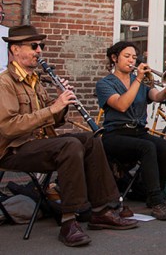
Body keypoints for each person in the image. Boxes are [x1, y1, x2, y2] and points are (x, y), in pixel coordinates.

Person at [0, 25, 137, 247]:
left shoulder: (35, 81)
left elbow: (53, 120)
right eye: (33, 46)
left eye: (41, 46)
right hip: (14, 149)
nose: (39, 51)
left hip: (40, 144)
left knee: (90, 139)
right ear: (15, 50)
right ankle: (69, 220)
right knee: (70, 145)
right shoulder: (4, 83)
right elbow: (8, 127)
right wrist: (52, 108)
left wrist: (61, 104)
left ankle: (103, 209)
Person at [96, 41, 166, 221]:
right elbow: (122, 105)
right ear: (114, 58)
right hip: (115, 134)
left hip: (138, 132)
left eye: (134, 57)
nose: (131, 60)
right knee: (147, 147)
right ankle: (156, 202)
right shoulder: (104, 84)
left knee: (165, 147)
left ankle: (155, 194)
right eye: (127, 56)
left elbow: (156, 96)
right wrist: (139, 79)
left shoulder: (140, 81)